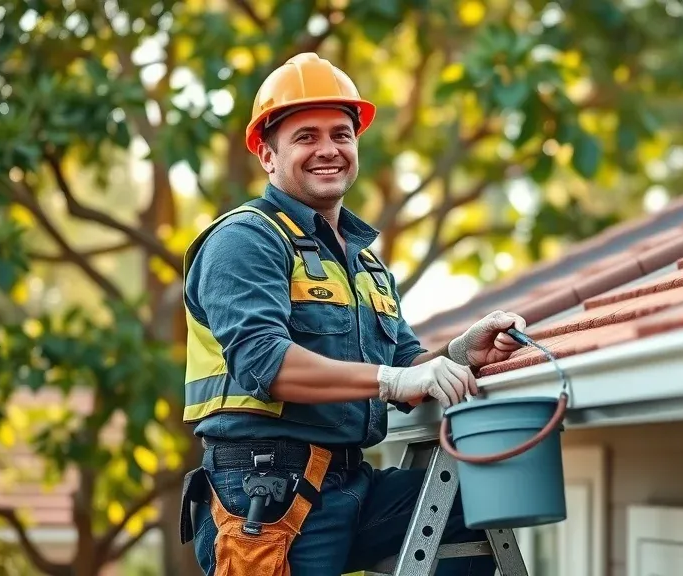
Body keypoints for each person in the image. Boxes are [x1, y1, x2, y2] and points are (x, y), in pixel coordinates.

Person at [176, 52, 527, 576]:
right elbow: (265, 364)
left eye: (341, 134)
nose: (328, 149)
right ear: (267, 155)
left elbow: (406, 363)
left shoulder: (362, 262)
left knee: (472, 504)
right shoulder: (244, 240)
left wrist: (460, 353)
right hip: (267, 494)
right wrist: (394, 379)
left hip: (350, 481)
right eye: (306, 136)